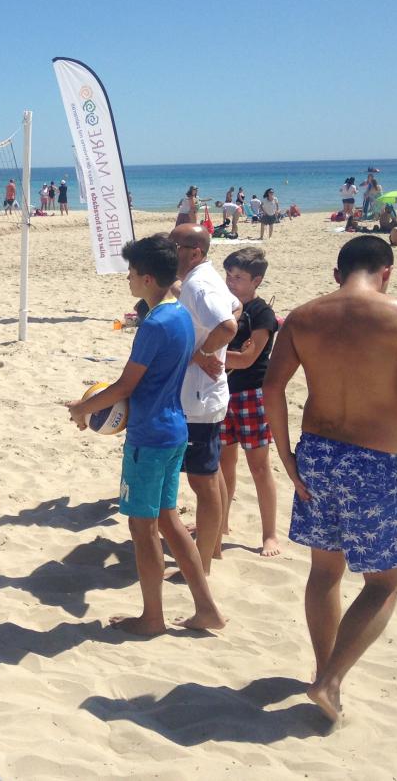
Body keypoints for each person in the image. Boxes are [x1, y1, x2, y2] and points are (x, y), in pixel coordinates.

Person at [262, 236, 397, 722]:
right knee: (384, 583)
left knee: (325, 572)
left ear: (337, 274)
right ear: (388, 272)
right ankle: (332, 680)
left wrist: (287, 455)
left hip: (315, 455)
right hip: (371, 465)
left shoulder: (302, 316)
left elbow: (273, 388)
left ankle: (322, 671)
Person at [66, 234, 225, 636]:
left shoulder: (154, 325)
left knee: (143, 529)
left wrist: (84, 409)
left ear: (149, 278)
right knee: (169, 522)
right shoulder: (181, 316)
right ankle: (207, 609)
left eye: (133, 274)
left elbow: (124, 387)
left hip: (150, 438)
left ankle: (152, 618)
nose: (129, 280)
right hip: (174, 429)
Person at [170, 224, 239, 575]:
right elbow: (236, 305)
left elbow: (229, 325)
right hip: (202, 396)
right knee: (209, 477)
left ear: (194, 251)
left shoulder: (199, 284)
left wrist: (202, 351)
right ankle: (213, 549)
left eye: (175, 244)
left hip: (199, 398)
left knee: (203, 482)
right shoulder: (200, 278)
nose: (170, 249)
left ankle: (203, 565)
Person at [217, 247, 280, 557]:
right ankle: (222, 522)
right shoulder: (224, 307)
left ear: (257, 280)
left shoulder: (261, 313)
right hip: (221, 392)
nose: (231, 282)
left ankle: (270, 534)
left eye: (238, 277)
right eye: (228, 275)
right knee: (223, 463)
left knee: (259, 467)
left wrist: (205, 354)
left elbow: (248, 358)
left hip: (252, 394)